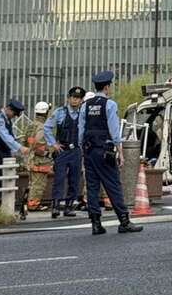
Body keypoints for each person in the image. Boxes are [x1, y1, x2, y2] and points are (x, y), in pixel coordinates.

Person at [78, 71, 143, 235]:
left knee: (92, 186)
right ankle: (124, 221)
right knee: (113, 185)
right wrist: (120, 152)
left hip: (89, 150)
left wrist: (82, 150)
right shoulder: (109, 104)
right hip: (104, 151)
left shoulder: (85, 105)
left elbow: (81, 130)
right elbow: (114, 132)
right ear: (106, 87)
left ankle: (95, 223)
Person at [45, 86, 86, 218]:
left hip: (76, 151)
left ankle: (69, 207)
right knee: (59, 179)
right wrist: (53, 144)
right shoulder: (60, 112)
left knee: (74, 179)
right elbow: (47, 128)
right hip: (63, 150)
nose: (75, 100)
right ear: (69, 98)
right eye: (73, 97)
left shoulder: (83, 114)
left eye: (78, 98)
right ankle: (56, 206)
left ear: (81, 100)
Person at [0, 98, 30, 199]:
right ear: (9, 109)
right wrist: (20, 148)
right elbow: (5, 137)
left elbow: (11, 136)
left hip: (5, 153)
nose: (14, 117)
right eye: (14, 114)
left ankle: (4, 203)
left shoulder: (7, 120)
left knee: (7, 179)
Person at [25, 102, 53, 211]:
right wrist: (48, 153)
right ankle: (34, 205)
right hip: (40, 161)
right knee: (38, 185)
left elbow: (25, 141)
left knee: (33, 183)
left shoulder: (32, 125)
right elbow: (39, 146)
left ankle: (31, 203)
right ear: (46, 113)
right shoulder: (43, 127)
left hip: (31, 160)